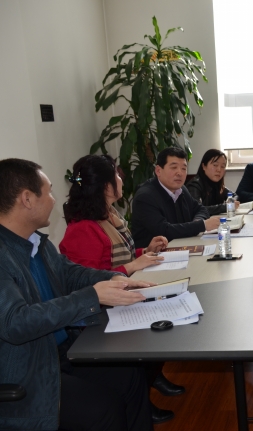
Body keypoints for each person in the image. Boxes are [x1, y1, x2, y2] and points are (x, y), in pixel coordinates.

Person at [0, 158, 154, 431]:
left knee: (131, 376)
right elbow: (16, 322)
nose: (54, 199)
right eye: (48, 192)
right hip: (27, 370)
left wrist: (116, 279)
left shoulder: (36, 242)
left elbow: (71, 273)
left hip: (59, 352)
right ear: (27, 199)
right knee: (103, 409)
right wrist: (92, 296)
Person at [58, 154, 184, 424]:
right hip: (101, 314)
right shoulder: (83, 229)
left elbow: (119, 257)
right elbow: (89, 282)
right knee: (163, 322)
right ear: (106, 186)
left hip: (121, 299)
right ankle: (144, 390)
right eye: (117, 175)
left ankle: (151, 378)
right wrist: (132, 266)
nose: (121, 180)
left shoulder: (109, 215)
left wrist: (144, 251)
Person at [131, 146, 221, 248]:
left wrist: (197, 221)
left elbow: (201, 209)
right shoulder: (145, 197)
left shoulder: (182, 189)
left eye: (184, 168)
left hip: (182, 247)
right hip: (155, 255)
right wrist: (202, 225)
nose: (180, 173)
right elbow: (165, 231)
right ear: (158, 171)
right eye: (174, 168)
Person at [186, 148, 240, 215]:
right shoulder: (194, 185)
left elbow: (235, 195)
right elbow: (198, 209)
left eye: (223, 166)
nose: (219, 169)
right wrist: (226, 207)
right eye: (215, 165)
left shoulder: (217, 184)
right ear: (204, 166)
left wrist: (231, 201)